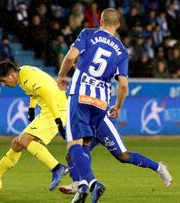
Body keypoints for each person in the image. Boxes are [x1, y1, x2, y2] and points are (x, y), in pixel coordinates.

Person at [57, 8, 128, 203]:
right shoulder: (122, 50)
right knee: (84, 146)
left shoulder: (88, 34)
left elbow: (71, 57)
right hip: (101, 102)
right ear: (118, 25)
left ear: (100, 21)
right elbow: (123, 85)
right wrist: (118, 106)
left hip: (80, 95)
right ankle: (81, 189)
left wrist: (62, 76)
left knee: (73, 145)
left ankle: (91, 182)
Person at [0, 60, 68, 191]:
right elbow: (35, 92)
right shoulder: (23, 73)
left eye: (4, 81)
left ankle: (57, 168)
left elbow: (48, 95)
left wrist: (58, 121)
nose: (3, 85)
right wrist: (31, 108)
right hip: (49, 110)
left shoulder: (29, 79)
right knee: (16, 143)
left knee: (24, 140)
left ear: (12, 75)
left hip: (57, 110)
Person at [59, 114, 172, 194]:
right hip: (87, 123)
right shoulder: (75, 92)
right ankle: (77, 184)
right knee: (71, 154)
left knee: (123, 156)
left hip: (102, 123)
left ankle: (159, 167)